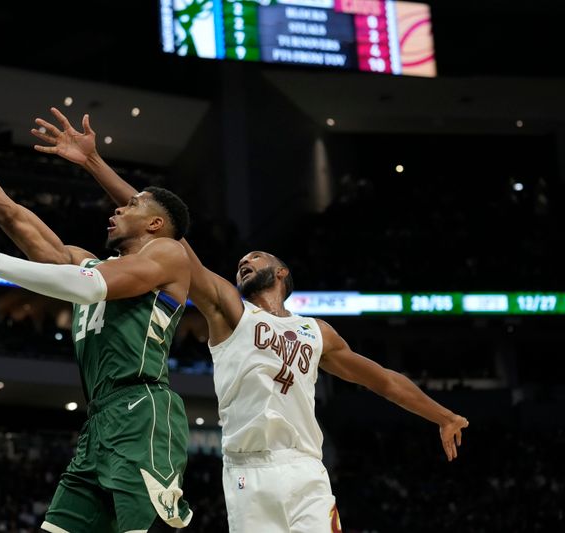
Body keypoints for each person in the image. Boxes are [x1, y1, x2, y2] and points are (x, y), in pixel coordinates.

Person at [32, 107, 471, 533]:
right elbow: (161, 229)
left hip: (304, 469)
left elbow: (382, 380)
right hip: (246, 470)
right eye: (241, 260)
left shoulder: (316, 331)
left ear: (281, 273)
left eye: (254, 258)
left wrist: (442, 415)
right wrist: (93, 162)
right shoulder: (228, 308)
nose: (244, 261)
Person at [0, 80, 194, 533]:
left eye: (131, 204)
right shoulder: (85, 259)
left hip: (143, 412)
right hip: (99, 422)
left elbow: (90, 287)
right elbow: (7, 212)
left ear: (155, 223)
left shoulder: (169, 255)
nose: (116, 209)